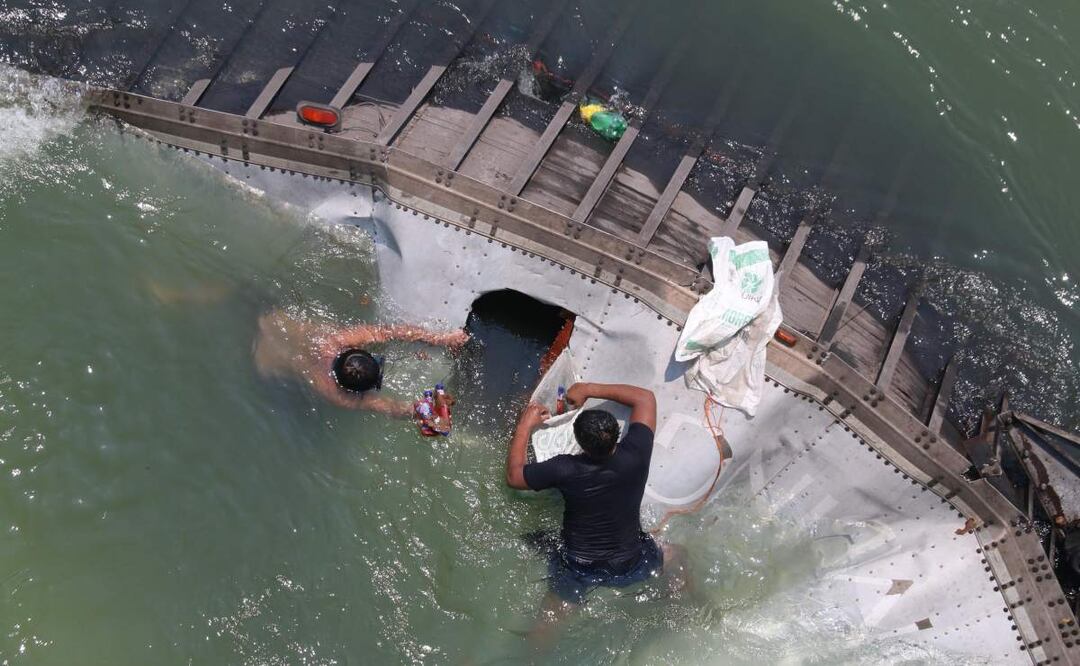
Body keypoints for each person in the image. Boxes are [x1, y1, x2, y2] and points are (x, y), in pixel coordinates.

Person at [505, 381, 688, 645]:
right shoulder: (636, 453)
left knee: (543, 633)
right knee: (676, 553)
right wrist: (588, 388)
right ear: (617, 436)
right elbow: (645, 398)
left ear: (579, 443)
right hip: (632, 563)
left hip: (578, 567)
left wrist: (524, 426)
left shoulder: (564, 469)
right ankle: (677, 613)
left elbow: (514, 476)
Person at [253, 309, 469, 416]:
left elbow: (389, 332)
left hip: (273, 319)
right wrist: (431, 412)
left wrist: (442, 339)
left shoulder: (333, 342)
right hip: (264, 358)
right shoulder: (335, 392)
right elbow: (391, 408)